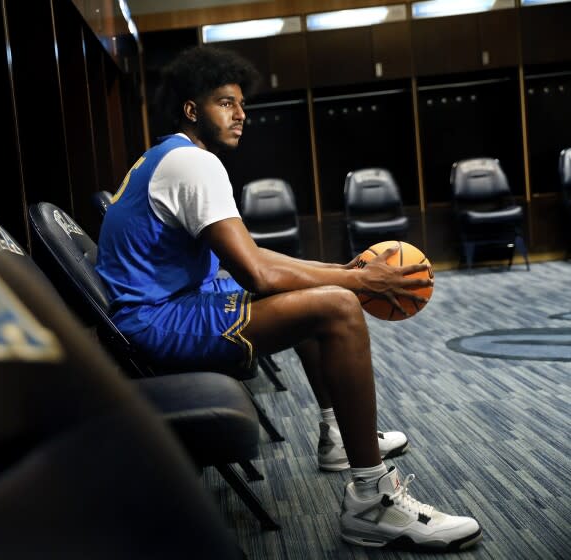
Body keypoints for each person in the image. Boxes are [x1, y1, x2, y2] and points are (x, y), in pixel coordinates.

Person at [95, 45, 481, 551]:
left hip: (161, 310)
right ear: (192, 110)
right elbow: (257, 272)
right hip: (157, 324)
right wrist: (359, 284)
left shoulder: (171, 155)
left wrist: (338, 270)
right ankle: (371, 500)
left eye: (241, 104)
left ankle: (338, 438)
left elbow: (252, 255)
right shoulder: (193, 165)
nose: (240, 115)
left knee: (320, 289)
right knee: (338, 307)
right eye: (225, 104)